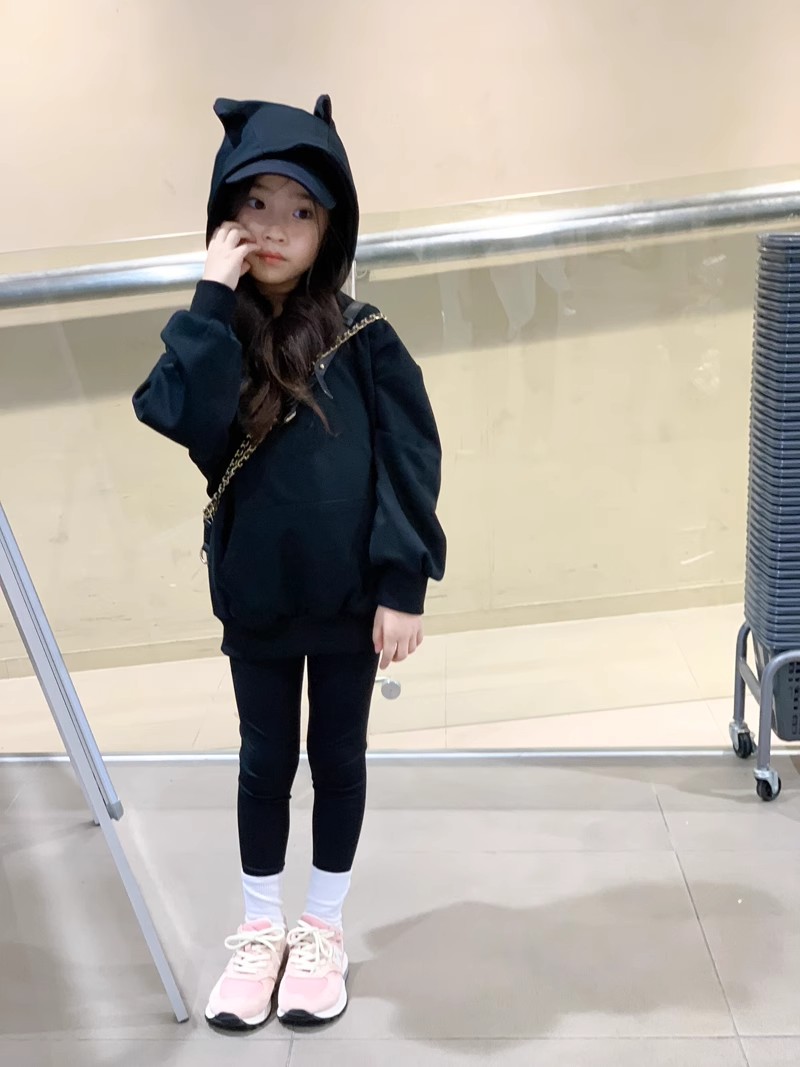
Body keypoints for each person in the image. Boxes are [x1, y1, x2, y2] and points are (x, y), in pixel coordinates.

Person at [132, 95, 446, 1031]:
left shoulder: (365, 335)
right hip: (260, 596)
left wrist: (402, 583)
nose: (274, 228)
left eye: (299, 210)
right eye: (255, 204)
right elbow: (172, 411)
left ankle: (322, 929)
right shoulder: (217, 334)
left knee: (337, 757)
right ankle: (262, 928)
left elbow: (409, 459)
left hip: (350, 598)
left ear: (330, 227)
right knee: (263, 760)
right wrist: (207, 293)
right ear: (225, 216)